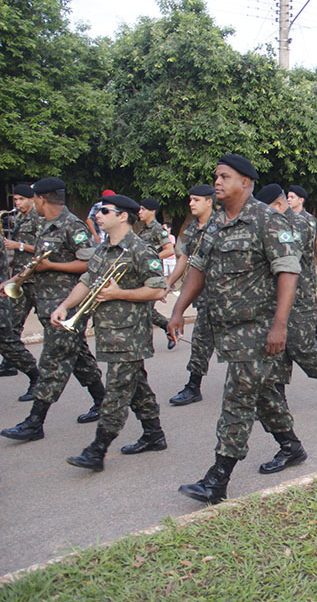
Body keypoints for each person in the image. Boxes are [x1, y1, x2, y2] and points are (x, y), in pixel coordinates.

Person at [168, 154, 302, 505]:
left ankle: (217, 479)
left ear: (245, 182)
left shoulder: (267, 219)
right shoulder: (215, 224)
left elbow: (288, 271)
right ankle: (292, 447)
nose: (217, 182)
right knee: (262, 396)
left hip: (257, 329)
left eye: (224, 177)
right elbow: (197, 268)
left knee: (238, 401)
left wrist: (279, 326)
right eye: (216, 176)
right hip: (225, 328)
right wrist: (178, 310)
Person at [53, 194, 168, 471]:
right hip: (109, 332)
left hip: (129, 334)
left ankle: (97, 449)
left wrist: (120, 293)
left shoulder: (140, 250)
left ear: (123, 216)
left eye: (105, 211)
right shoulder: (103, 250)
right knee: (136, 386)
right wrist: (65, 306)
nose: (98, 215)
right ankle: (154, 434)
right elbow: (86, 280)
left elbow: (158, 289)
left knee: (116, 391)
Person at [1, 177, 107, 442]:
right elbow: (37, 264)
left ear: (41, 199)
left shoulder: (72, 225)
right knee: (80, 358)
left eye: (33, 198)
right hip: (48, 304)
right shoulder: (44, 225)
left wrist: (52, 267)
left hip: (68, 305)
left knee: (53, 361)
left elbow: (88, 264)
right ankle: (103, 401)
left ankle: (35, 422)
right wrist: (13, 281)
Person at [257, 184, 317, 416]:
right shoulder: (272, 223)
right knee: (275, 352)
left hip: (299, 296)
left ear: (277, 205)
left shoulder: (297, 224)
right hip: (274, 297)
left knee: (299, 348)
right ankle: (279, 404)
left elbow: (287, 256)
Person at [166, 184, 217, 406]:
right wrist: (169, 282)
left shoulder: (222, 224)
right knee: (201, 342)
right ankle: (193, 386)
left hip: (227, 297)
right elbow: (184, 258)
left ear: (209, 202)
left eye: (196, 200)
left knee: (243, 346)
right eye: (191, 199)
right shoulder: (193, 228)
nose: (191, 203)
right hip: (203, 296)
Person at [1, 183, 43, 383]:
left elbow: (43, 248)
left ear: (31, 199)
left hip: (35, 279)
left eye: (21, 199)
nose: (17, 203)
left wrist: (18, 245)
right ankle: (10, 363)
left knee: (49, 322)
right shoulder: (19, 218)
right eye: (15, 199)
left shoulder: (37, 218)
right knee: (13, 323)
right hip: (19, 278)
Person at [285, 185, 317, 348]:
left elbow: (300, 244)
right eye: (287, 196)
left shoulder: (308, 219)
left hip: (304, 269)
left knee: (309, 301)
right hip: (292, 266)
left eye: (292, 197)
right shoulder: (286, 219)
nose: (288, 199)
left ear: (301, 200)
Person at [137, 198, 176, 349]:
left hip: (152, 275)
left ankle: (168, 327)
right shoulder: (143, 230)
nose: (140, 212)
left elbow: (169, 250)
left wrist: (149, 259)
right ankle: (168, 327)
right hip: (143, 274)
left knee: (146, 309)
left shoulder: (157, 229)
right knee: (144, 309)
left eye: (143, 209)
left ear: (152, 211)